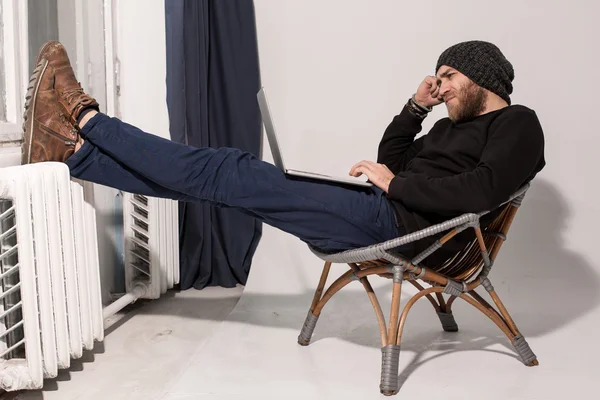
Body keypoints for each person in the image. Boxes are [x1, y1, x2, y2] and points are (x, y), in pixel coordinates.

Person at [21, 40, 545, 266]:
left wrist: (392, 185)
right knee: (225, 182)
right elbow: (396, 155)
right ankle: (73, 155)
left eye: (449, 76)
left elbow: (481, 190)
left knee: (230, 170)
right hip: (389, 213)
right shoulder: (452, 126)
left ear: (481, 76)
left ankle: (84, 119)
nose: (442, 85)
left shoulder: (517, 123)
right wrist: (416, 105)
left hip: (413, 232)